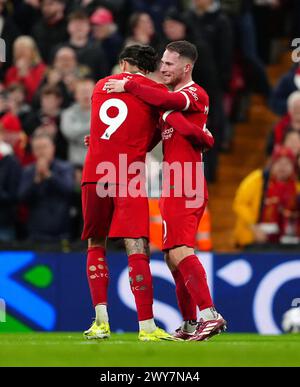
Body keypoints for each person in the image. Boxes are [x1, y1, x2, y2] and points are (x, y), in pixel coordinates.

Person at [104, 40, 226, 341]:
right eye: (162, 63)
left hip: (186, 180)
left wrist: (129, 86)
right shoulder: (170, 108)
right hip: (174, 181)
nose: (163, 68)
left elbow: (169, 106)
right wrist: (103, 142)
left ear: (186, 66)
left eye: (169, 64)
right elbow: (147, 140)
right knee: (172, 257)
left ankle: (210, 315)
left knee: (181, 250)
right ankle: (189, 324)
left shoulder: (194, 94)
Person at [81, 44, 176, 342]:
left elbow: (104, 128)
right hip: (128, 175)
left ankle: (100, 322)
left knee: (97, 242)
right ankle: (146, 327)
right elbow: (156, 133)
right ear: (149, 69)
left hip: (95, 173)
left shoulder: (100, 86)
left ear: (124, 63)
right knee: (136, 246)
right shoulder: (154, 94)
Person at [233, 145, 300, 247]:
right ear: (272, 164)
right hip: (254, 238)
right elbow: (239, 204)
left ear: (293, 167)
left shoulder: (296, 186)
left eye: (287, 163)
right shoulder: (258, 179)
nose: (283, 167)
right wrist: (254, 227)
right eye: (279, 162)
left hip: (288, 240)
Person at [18, 132, 74, 242]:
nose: (42, 151)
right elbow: (21, 198)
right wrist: (36, 181)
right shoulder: (28, 171)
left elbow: (69, 190)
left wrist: (49, 175)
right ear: (33, 151)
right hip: (36, 233)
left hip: (62, 232)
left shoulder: (65, 168)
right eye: (38, 148)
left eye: (44, 147)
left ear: (53, 148)